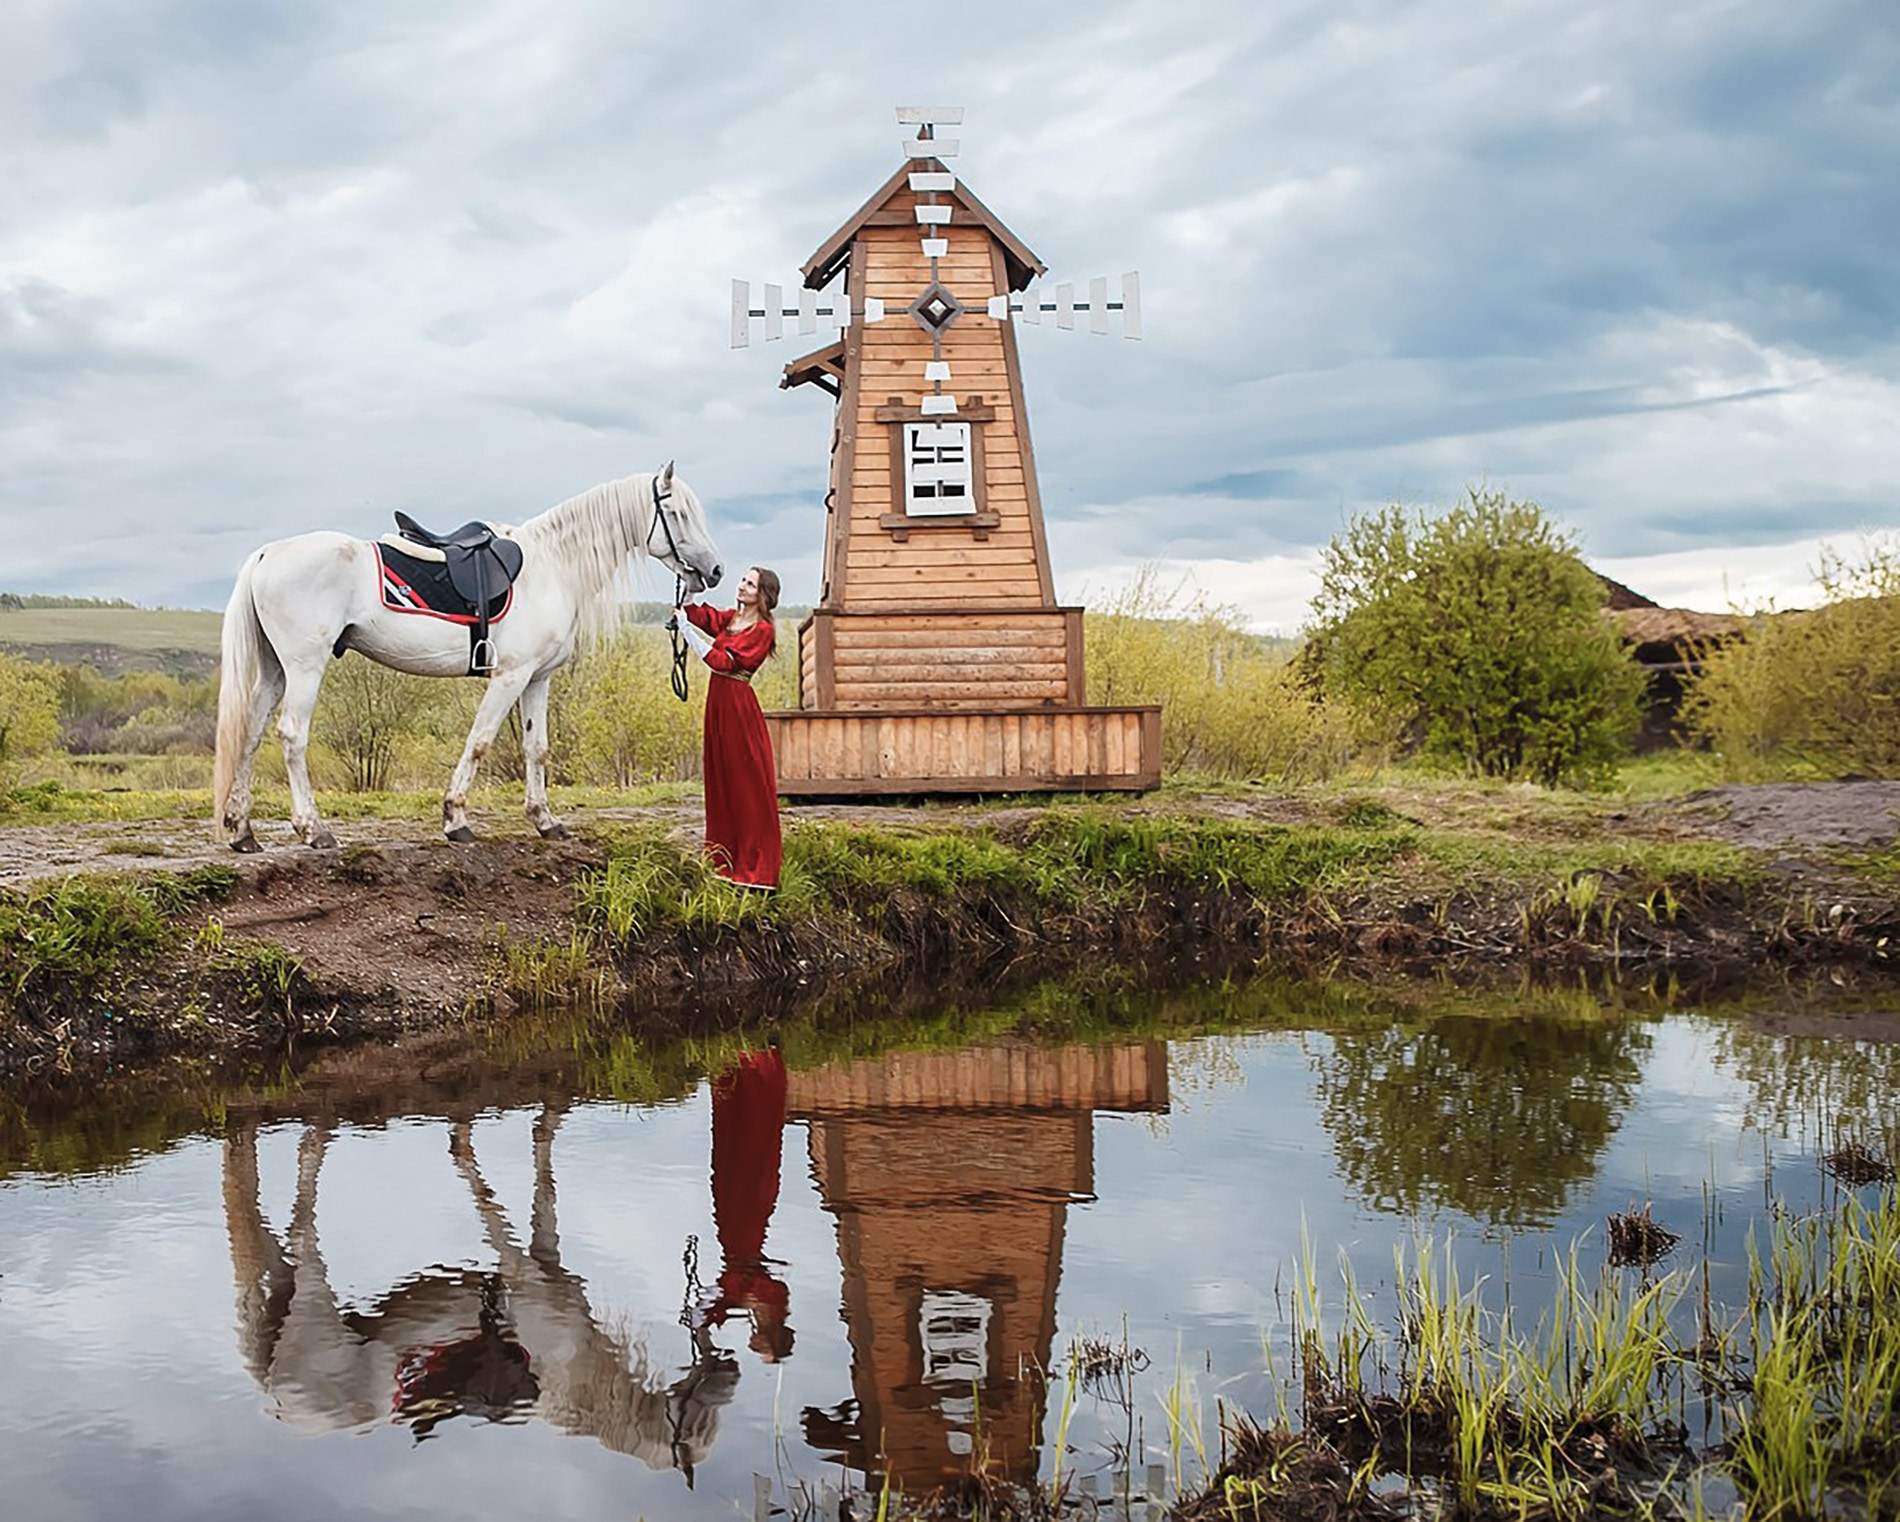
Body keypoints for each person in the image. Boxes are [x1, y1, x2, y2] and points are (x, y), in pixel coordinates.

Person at [668, 567, 783, 890]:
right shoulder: (732, 618)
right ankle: (725, 859)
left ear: (762, 594)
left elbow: (725, 663)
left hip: (737, 708)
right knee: (721, 779)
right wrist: (690, 589)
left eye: (750, 583)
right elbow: (697, 614)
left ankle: (755, 866)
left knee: (745, 784)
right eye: (743, 579)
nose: (742, 585)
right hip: (718, 705)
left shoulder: (762, 631)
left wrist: (688, 634)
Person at [701, 1045, 794, 1363]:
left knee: (728, 1164)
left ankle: (737, 1070)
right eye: (763, 1345)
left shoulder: (748, 1304)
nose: (754, 1342)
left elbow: (723, 1296)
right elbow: (754, 1283)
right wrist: (740, 1301)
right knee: (747, 1158)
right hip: (744, 1233)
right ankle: (753, 1068)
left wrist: (726, 1309)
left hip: (732, 1234)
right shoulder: (771, 1301)